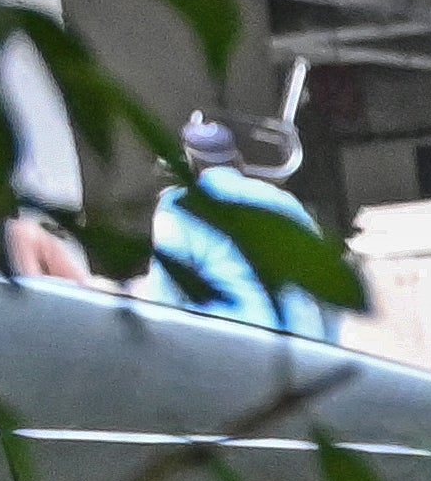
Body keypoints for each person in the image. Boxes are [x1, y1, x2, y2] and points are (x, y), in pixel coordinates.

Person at [140, 109, 340, 337]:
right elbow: (327, 281)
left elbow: (164, 292)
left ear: (189, 162)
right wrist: (328, 345)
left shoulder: (181, 205)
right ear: (236, 157)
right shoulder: (284, 202)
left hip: (230, 344)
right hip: (299, 346)